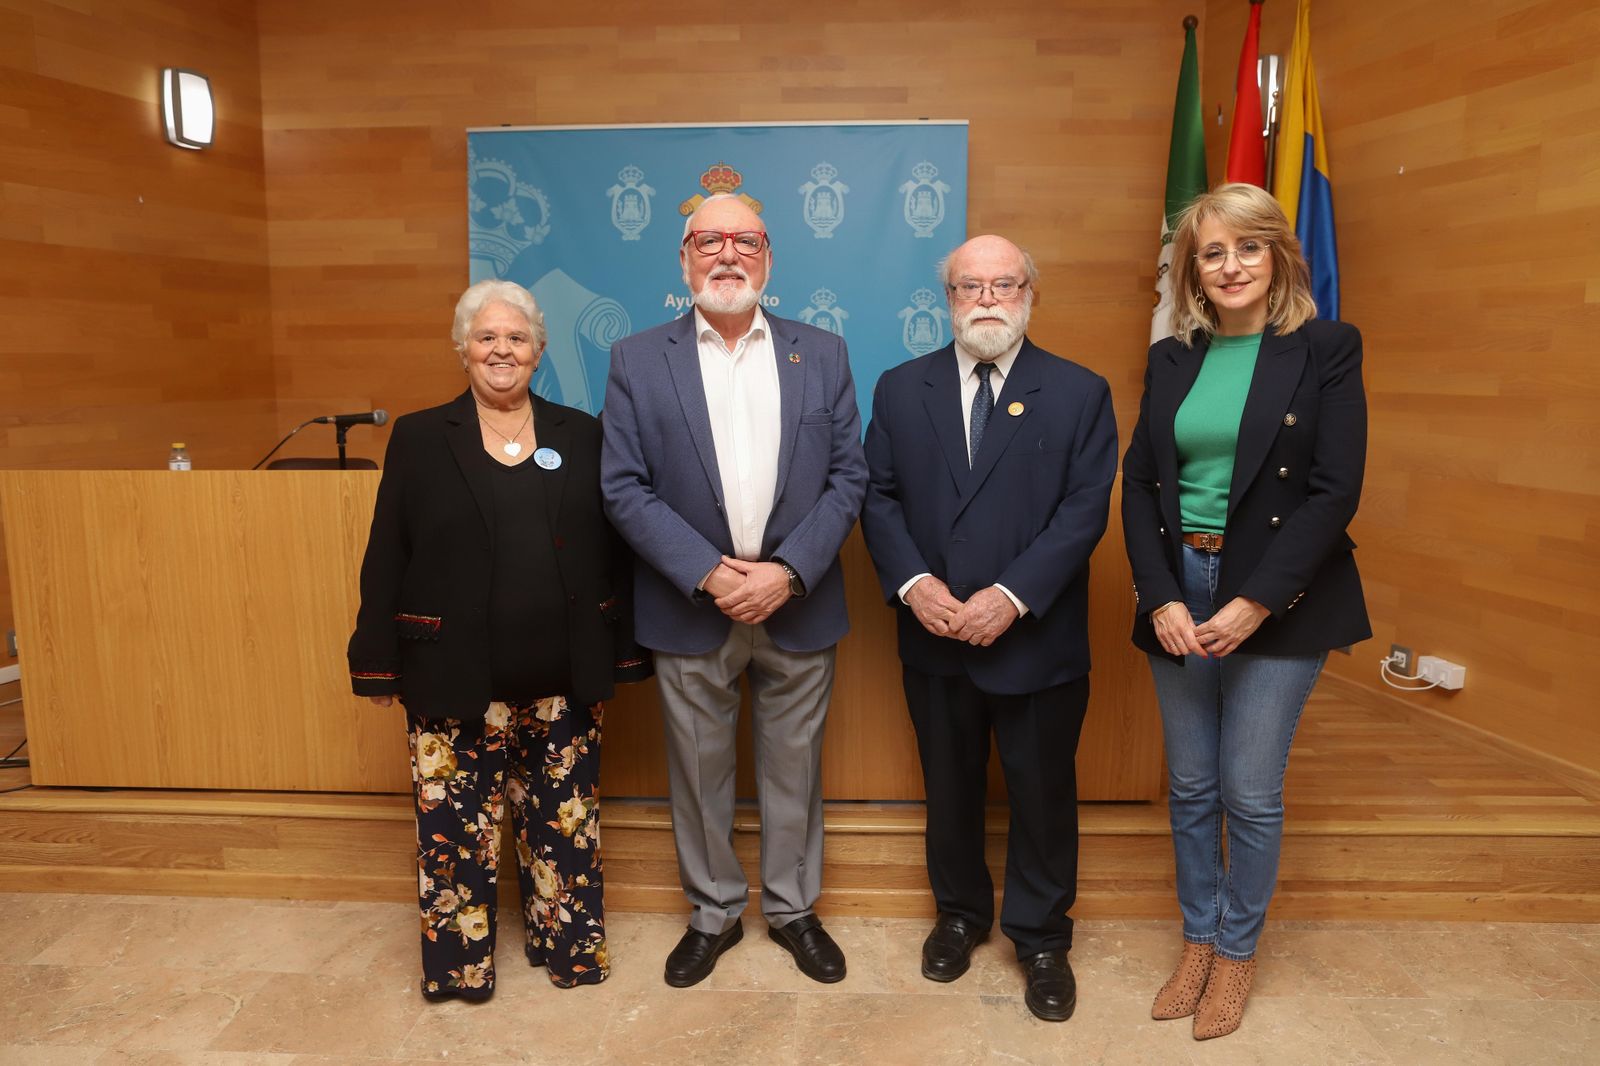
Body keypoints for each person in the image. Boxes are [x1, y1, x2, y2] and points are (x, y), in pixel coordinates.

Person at [348, 279, 649, 1001]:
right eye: (486, 337)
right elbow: (389, 549)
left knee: (565, 832)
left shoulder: (583, 432)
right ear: (462, 349)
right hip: (452, 678)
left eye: (516, 337)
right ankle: (459, 971)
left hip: (563, 679)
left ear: (540, 350)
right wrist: (376, 663)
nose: (501, 349)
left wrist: (627, 648)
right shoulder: (421, 436)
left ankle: (570, 951)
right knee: (454, 836)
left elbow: (615, 548)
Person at [1121, 183, 1370, 1040]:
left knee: (1249, 792)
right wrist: (1159, 595)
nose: (1230, 266)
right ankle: (1196, 938)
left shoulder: (1326, 348)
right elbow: (1142, 484)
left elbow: (1335, 491)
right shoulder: (1172, 356)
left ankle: (1235, 952)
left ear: (1278, 255)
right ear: (1193, 268)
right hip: (1178, 589)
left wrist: (1257, 600)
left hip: (1278, 592)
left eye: (1247, 248)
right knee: (1190, 788)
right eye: (1212, 252)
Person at [601, 192, 868, 988]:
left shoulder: (821, 352)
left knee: (796, 772)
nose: (727, 254)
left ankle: (791, 910)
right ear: (683, 259)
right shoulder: (636, 359)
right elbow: (622, 487)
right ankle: (713, 914)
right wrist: (713, 574)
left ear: (769, 257)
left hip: (798, 601)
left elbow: (850, 477)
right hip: (692, 605)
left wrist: (787, 573)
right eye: (708, 241)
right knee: (697, 769)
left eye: (745, 240)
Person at [860, 235, 1118, 1022]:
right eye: (970, 286)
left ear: (1030, 293)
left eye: (1004, 284)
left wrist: (1010, 595)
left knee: (1042, 793)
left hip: (1036, 637)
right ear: (947, 299)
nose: (987, 299)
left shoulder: (1079, 391)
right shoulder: (902, 389)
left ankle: (1041, 937)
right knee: (951, 786)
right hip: (933, 633)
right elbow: (878, 497)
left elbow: (1084, 511)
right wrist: (912, 585)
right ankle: (961, 915)